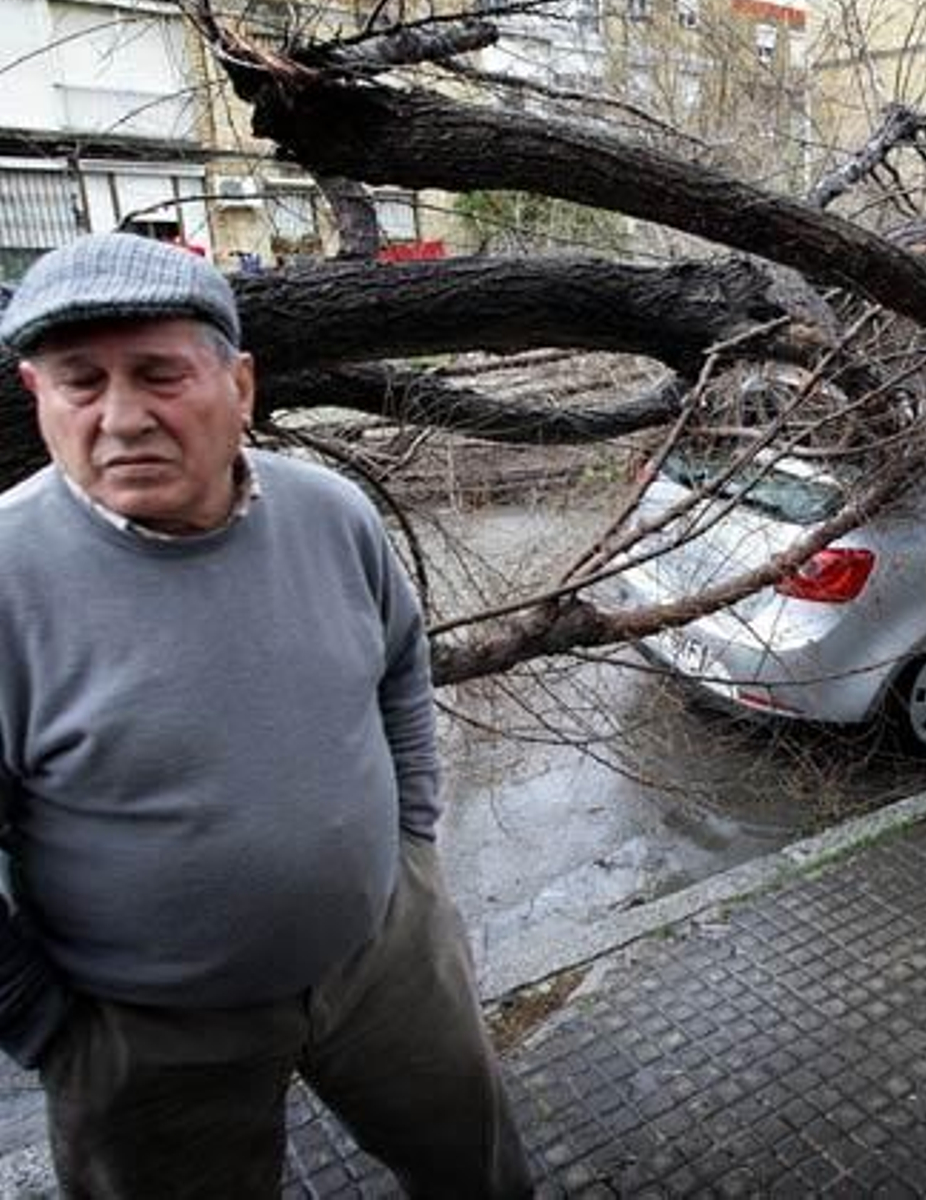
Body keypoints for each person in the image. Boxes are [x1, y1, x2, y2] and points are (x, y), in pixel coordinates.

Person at [0, 233, 532, 1198]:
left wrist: (412, 844)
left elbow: (401, 669)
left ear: (240, 385)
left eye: (159, 374)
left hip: (387, 962)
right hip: (150, 1034)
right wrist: (49, 1030)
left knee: (479, 1172)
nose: (122, 418)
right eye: (80, 383)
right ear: (39, 398)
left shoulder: (333, 513)